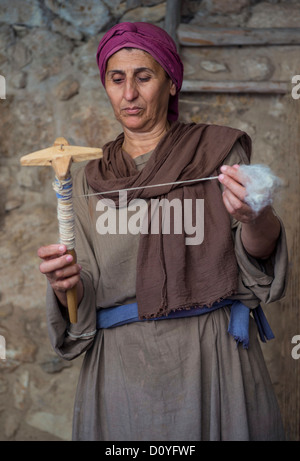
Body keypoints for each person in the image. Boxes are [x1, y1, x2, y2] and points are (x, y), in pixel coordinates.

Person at [38, 22, 288, 441]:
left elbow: (257, 261)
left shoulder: (218, 153)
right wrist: (65, 283)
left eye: (144, 77)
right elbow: (85, 290)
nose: (129, 94)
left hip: (211, 355)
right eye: (117, 79)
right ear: (106, 85)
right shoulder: (86, 179)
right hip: (122, 366)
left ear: (171, 83)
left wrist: (255, 217)